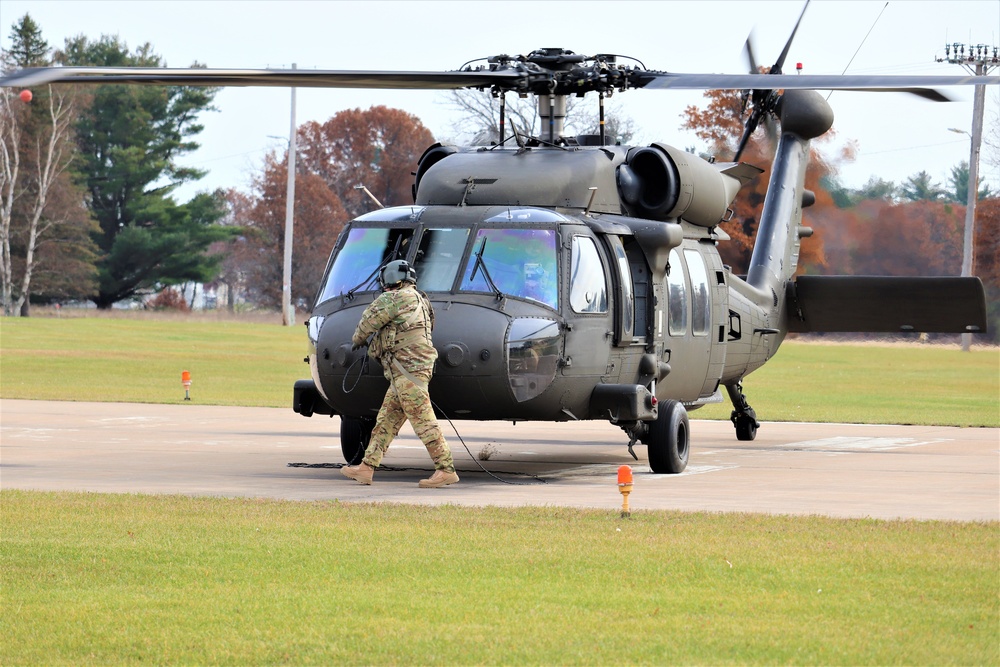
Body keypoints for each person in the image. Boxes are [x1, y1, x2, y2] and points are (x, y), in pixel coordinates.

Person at [341, 259, 459, 488]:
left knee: (423, 420)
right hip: (408, 371)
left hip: (408, 372)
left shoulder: (393, 298)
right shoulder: (421, 300)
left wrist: (357, 340)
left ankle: (445, 469)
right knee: (386, 420)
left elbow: (365, 326)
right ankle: (366, 467)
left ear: (391, 280)